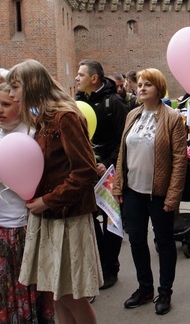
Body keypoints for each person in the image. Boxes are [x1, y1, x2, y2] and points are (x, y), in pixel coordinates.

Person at [11, 60, 101, 324]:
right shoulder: (42, 118)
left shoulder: (65, 117)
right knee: (56, 293)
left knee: (72, 295)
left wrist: (47, 201)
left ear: (32, 85)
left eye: (16, 87)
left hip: (67, 217)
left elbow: (85, 171)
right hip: (49, 216)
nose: (13, 94)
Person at [0, 83, 55, 323]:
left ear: (20, 104)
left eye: (6, 104)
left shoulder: (30, 133)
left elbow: (25, 176)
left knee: (21, 282)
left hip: (20, 224)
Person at [112, 68, 188, 315]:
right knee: (135, 240)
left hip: (159, 193)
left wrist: (173, 196)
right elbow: (123, 152)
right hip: (133, 190)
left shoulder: (172, 118)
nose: (141, 88)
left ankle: (164, 291)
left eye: (148, 85)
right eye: (140, 84)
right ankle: (145, 288)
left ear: (159, 88)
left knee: (164, 242)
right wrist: (118, 184)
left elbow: (179, 160)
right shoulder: (132, 114)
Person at [75, 59, 129, 290]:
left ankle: (110, 269)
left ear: (93, 78)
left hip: (109, 174)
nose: (76, 79)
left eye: (80, 75)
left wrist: (107, 163)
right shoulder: (76, 103)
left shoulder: (114, 103)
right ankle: (98, 263)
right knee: (89, 218)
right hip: (86, 171)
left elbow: (124, 140)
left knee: (111, 221)